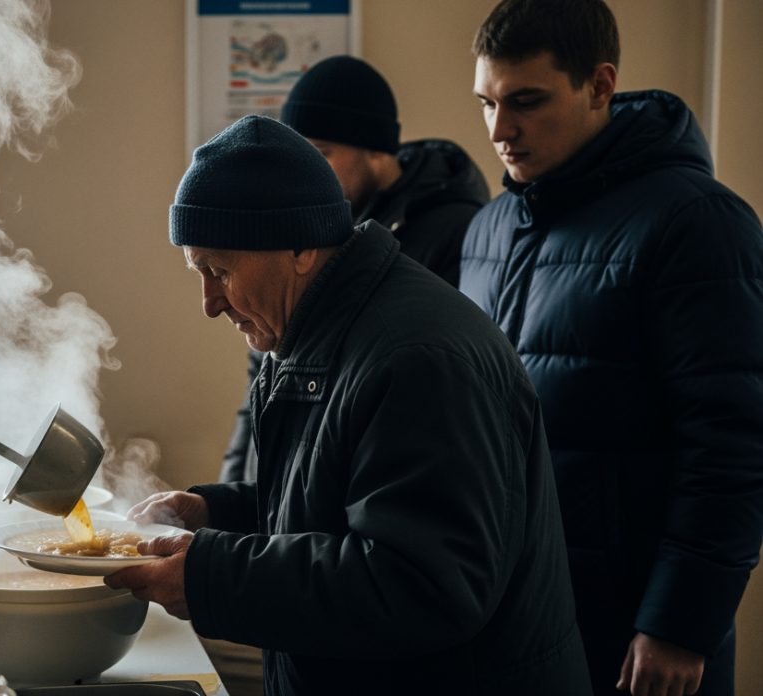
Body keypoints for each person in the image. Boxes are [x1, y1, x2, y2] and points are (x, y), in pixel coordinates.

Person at [106, 114, 591, 695]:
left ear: (301, 247)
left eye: (220, 271)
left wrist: (213, 578)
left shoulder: (417, 359)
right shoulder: (317, 332)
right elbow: (345, 506)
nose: (210, 303)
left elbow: (423, 584)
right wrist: (219, 515)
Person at [460, 2, 763, 695]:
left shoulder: (696, 222)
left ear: (599, 86)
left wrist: (680, 623)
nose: (500, 130)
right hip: (512, 616)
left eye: (526, 102)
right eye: (486, 103)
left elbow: (733, 442)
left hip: (637, 635)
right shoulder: (488, 228)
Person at [219, 56, 489, 485]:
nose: (302, 174)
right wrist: (227, 498)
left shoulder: (452, 231)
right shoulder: (316, 231)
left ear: (376, 151)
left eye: (321, 153)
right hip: (289, 495)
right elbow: (262, 378)